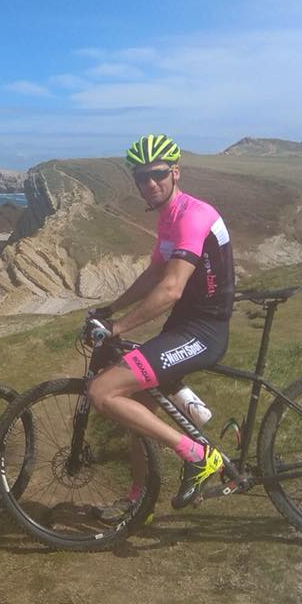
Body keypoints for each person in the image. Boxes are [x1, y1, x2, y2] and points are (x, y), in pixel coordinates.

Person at [88, 134, 235, 509]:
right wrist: (111, 308)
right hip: (185, 326)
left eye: (157, 174)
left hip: (203, 332)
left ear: (175, 173)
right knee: (137, 407)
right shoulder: (169, 218)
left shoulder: (192, 216)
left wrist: (119, 328)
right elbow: (154, 273)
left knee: (103, 392)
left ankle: (197, 455)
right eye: (141, 178)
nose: (150, 184)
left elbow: (170, 289)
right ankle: (139, 499)